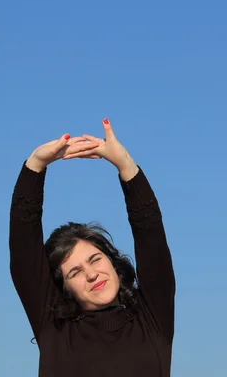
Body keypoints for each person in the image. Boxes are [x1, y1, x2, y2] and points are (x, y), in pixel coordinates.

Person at [9, 118, 176, 377]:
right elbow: (23, 250)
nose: (91, 274)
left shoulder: (152, 320)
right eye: (74, 272)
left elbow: (150, 234)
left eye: (95, 259)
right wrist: (35, 165)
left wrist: (125, 164)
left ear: (112, 261)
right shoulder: (55, 331)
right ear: (64, 288)